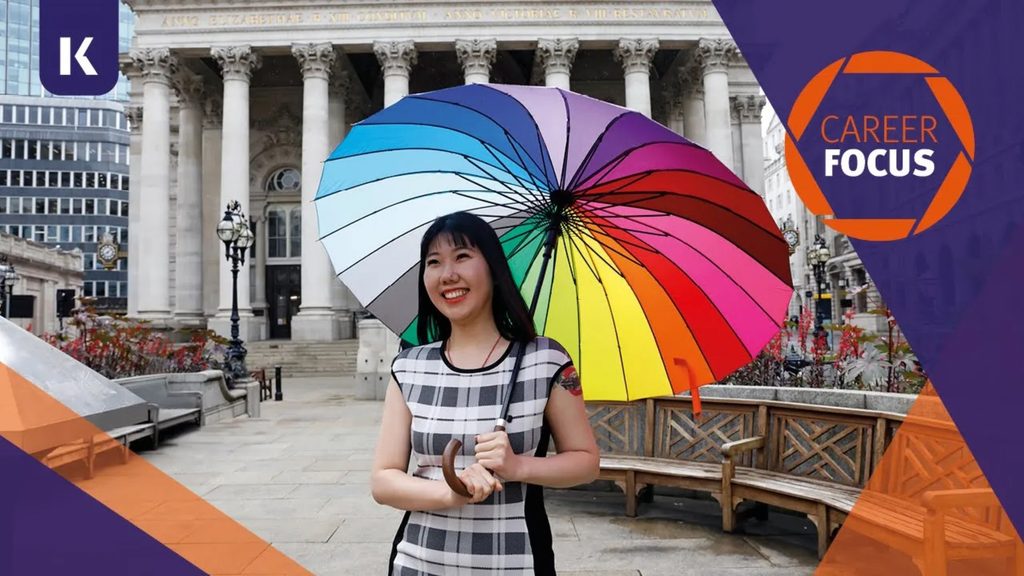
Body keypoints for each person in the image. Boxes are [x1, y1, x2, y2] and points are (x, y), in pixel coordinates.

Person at [371, 212, 600, 575]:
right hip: (419, 562)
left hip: (516, 563)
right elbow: (384, 480)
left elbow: (586, 463)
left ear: (493, 269)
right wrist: (451, 492)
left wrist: (518, 466)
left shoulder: (546, 360)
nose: (447, 274)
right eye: (434, 262)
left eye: (462, 256)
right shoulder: (409, 366)